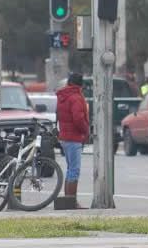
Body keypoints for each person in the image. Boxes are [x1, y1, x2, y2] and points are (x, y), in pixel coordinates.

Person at [56, 72, 89, 209]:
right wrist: (86, 130)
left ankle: (67, 200)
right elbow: (78, 119)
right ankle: (71, 201)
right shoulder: (75, 97)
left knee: (70, 169)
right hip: (74, 137)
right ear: (80, 85)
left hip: (65, 136)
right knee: (74, 170)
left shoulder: (63, 96)